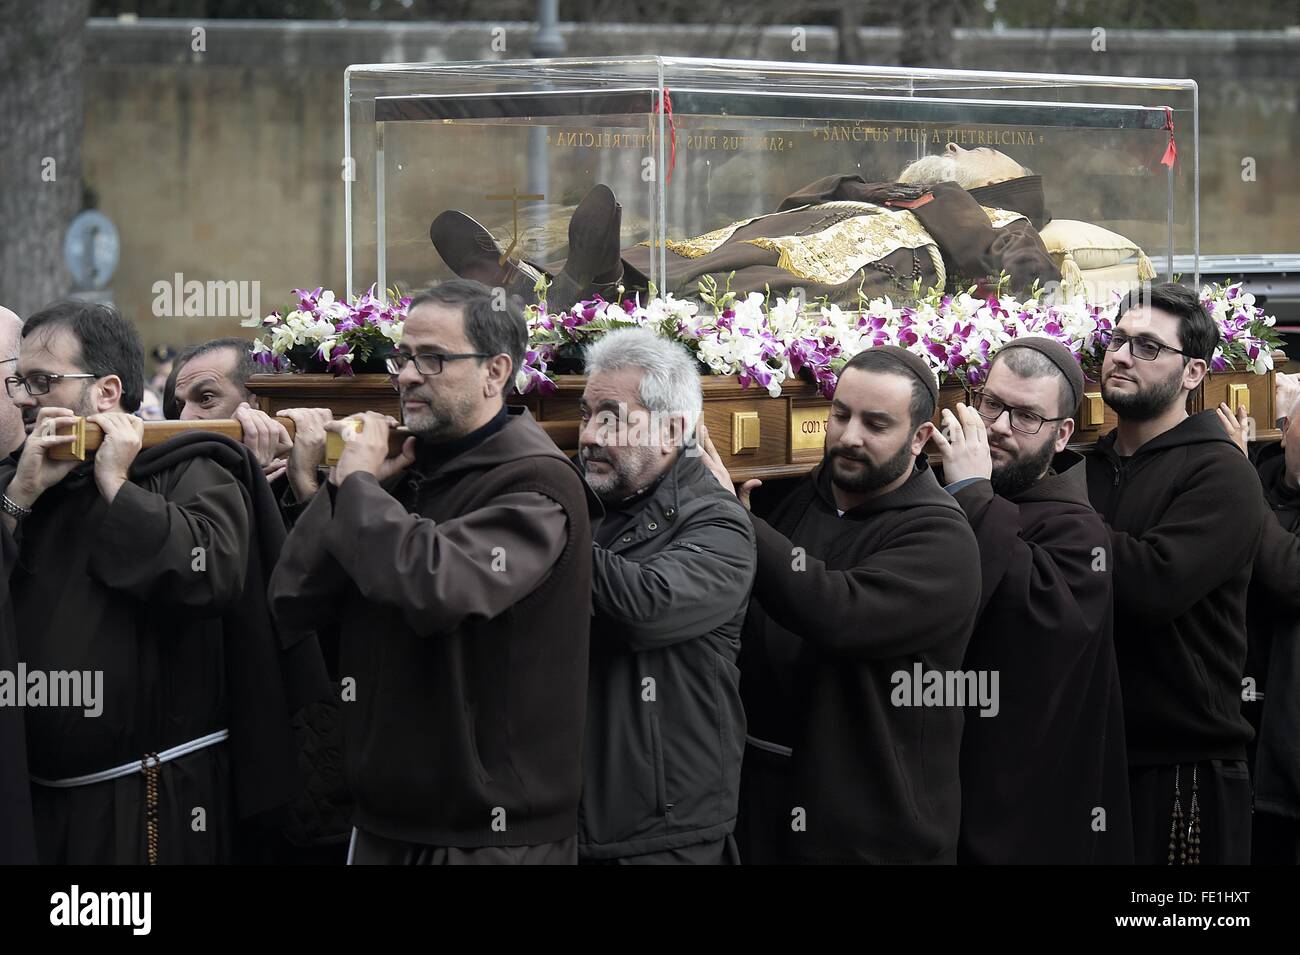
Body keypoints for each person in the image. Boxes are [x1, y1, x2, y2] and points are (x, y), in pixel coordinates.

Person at [269, 279, 594, 865]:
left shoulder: (536, 483)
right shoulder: (404, 467)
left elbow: (436, 586)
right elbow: (293, 597)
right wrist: (345, 488)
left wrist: (362, 484)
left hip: (490, 838)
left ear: (496, 372)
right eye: (404, 356)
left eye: (433, 359)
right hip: (382, 820)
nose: (408, 375)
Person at [1, 300, 323, 864]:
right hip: (36, 808)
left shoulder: (187, 468)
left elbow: (211, 572)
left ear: (105, 391)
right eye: (17, 382)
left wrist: (118, 488)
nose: (25, 398)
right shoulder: (21, 480)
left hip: (151, 805)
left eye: (42, 381)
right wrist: (17, 501)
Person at [700, 345, 982, 864]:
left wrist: (738, 526)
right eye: (841, 415)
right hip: (760, 809)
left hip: (873, 835)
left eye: (876, 424)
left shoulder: (941, 536)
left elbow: (839, 612)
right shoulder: (793, 500)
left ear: (920, 438)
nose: (850, 437)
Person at [431, 142, 1060, 312]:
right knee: (706, 253)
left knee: (757, 282)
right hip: (815, 224)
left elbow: (1033, 278)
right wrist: (871, 190)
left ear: (996, 181)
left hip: (886, 262)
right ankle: (541, 278)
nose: (960, 148)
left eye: (976, 153)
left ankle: (592, 284)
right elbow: (802, 193)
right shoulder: (902, 192)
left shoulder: (999, 214)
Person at [934, 337, 1132, 864]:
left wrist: (973, 493)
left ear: (1063, 434)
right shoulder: (942, 493)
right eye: (992, 403)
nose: (998, 426)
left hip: (1029, 808)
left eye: (1026, 417)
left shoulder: (1077, 528)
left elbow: (1032, 633)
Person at [1086, 282, 1263, 865]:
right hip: (1089, 754)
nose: (1121, 355)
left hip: (1184, 771)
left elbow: (1150, 586)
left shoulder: (1221, 474)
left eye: (1147, 347)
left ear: (1193, 373)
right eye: (1117, 340)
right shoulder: (1084, 468)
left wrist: (1045, 522)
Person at [576, 328, 754, 864]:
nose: (587, 436)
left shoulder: (721, 527)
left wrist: (542, 517)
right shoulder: (588, 502)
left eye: (610, 417)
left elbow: (643, 608)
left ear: (671, 429)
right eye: (585, 415)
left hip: (663, 833)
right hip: (569, 822)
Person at [1219, 372, 1300, 864]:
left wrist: (1238, 475)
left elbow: (1289, 575)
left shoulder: (1244, 482)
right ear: (1284, 426)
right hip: (1229, 729)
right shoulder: (1252, 484)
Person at [167, 338, 296, 487]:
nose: (184, 417)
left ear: (258, 405)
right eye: (181, 405)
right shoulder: (168, 476)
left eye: (206, 398)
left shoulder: (297, 479)